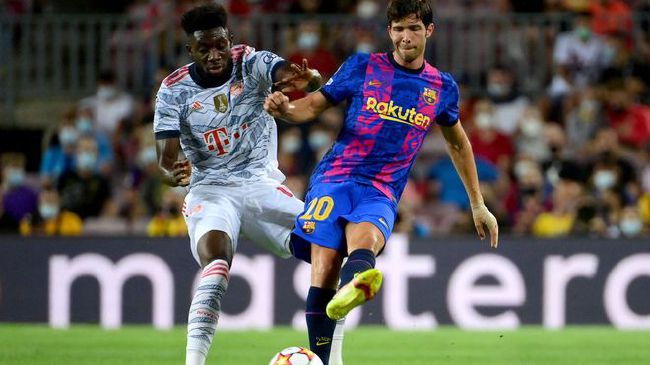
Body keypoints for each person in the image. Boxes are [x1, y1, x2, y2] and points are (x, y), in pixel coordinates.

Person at [264, 0, 499, 363]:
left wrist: (477, 203)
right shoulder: (362, 67)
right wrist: (286, 110)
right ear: (389, 31)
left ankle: (355, 283)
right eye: (399, 29)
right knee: (324, 267)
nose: (406, 37)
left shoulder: (441, 87)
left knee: (366, 241)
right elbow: (312, 105)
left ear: (429, 31)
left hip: (383, 188)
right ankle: (343, 309)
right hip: (336, 178)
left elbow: (458, 143)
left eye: (414, 28)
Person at [152, 4, 340, 365]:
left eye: (219, 44)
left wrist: (309, 80)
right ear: (190, 50)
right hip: (211, 190)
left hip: (261, 184)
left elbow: (305, 79)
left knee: (328, 250)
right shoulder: (174, 90)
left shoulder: (252, 62)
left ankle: (333, 358)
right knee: (217, 263)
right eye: (203, 48)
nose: (214, 54)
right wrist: (172, 172)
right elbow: (165, 159)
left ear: (230, 40)